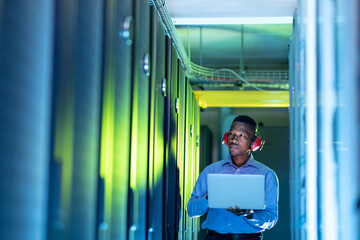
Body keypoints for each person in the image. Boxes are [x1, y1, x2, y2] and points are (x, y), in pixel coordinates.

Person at [187, 115, 279, 240]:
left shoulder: (267, 175)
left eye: (242, 135)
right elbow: (192, 211)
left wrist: (250, 215)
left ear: (254, 143)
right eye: (231, 133)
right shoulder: (211, 171)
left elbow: (271, 218)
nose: (234, 139)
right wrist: (210, 197)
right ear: (226, 137)